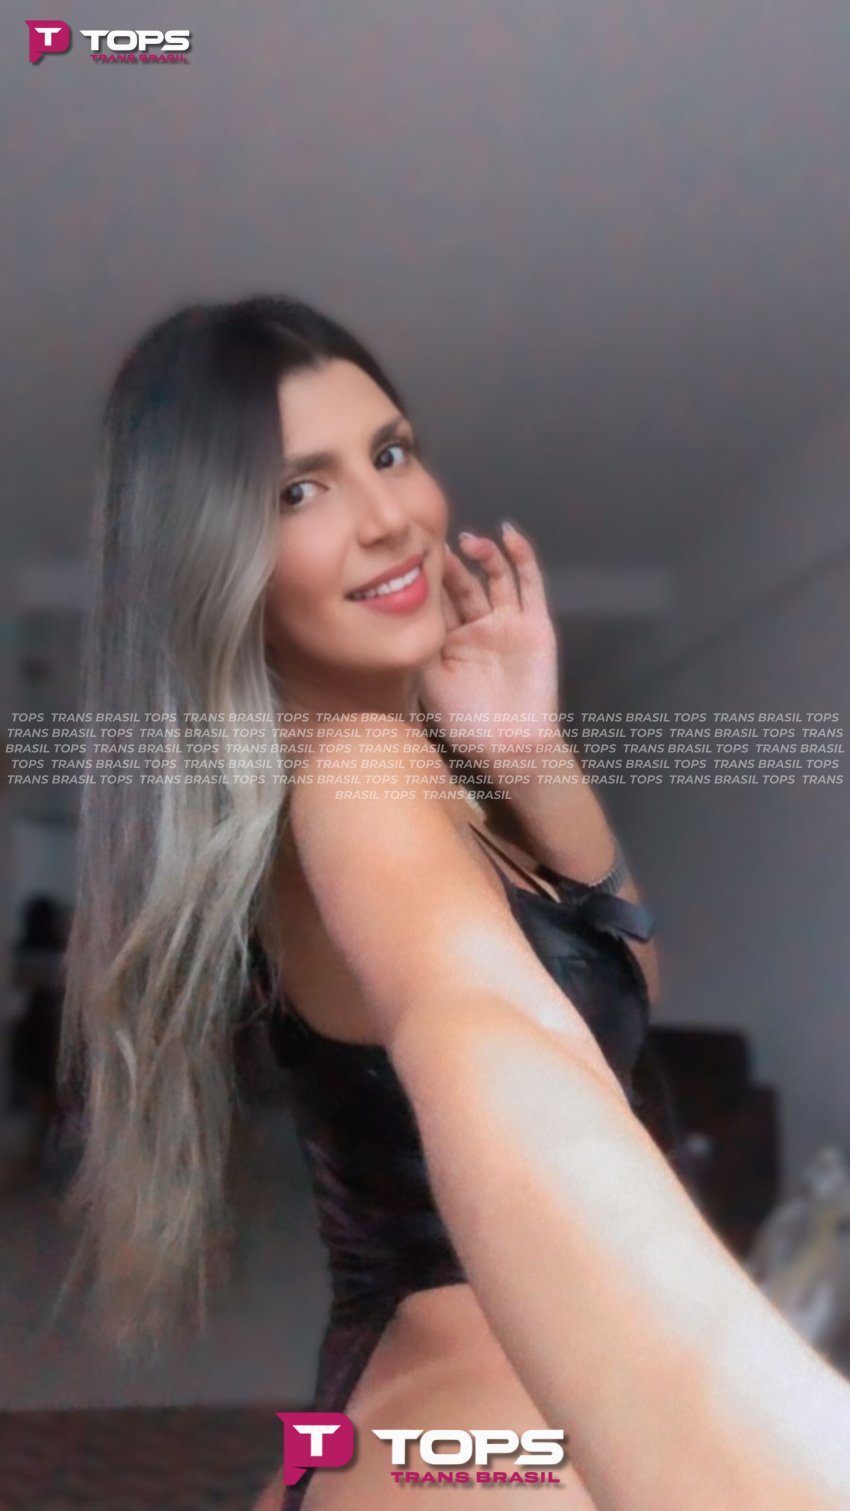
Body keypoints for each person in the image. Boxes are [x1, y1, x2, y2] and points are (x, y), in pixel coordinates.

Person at [55, 296, 850, 1510]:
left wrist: (531, 754)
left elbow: (618, 987)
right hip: (471, 1421)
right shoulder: (351, 775)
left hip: (434, 1397)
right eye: (299, 490)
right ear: (211, 562)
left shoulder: (410, 771)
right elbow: (489, 1028)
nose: (389, 517)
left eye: (389, 452)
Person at [7, 894, 67, 1181]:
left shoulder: (23, 949)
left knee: (37, 1092)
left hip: (33, 1026)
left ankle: (37, 1153)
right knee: (49, 1094)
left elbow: (18, 985)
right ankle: (43, 1152)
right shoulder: (58, 948)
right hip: (52, 1026)